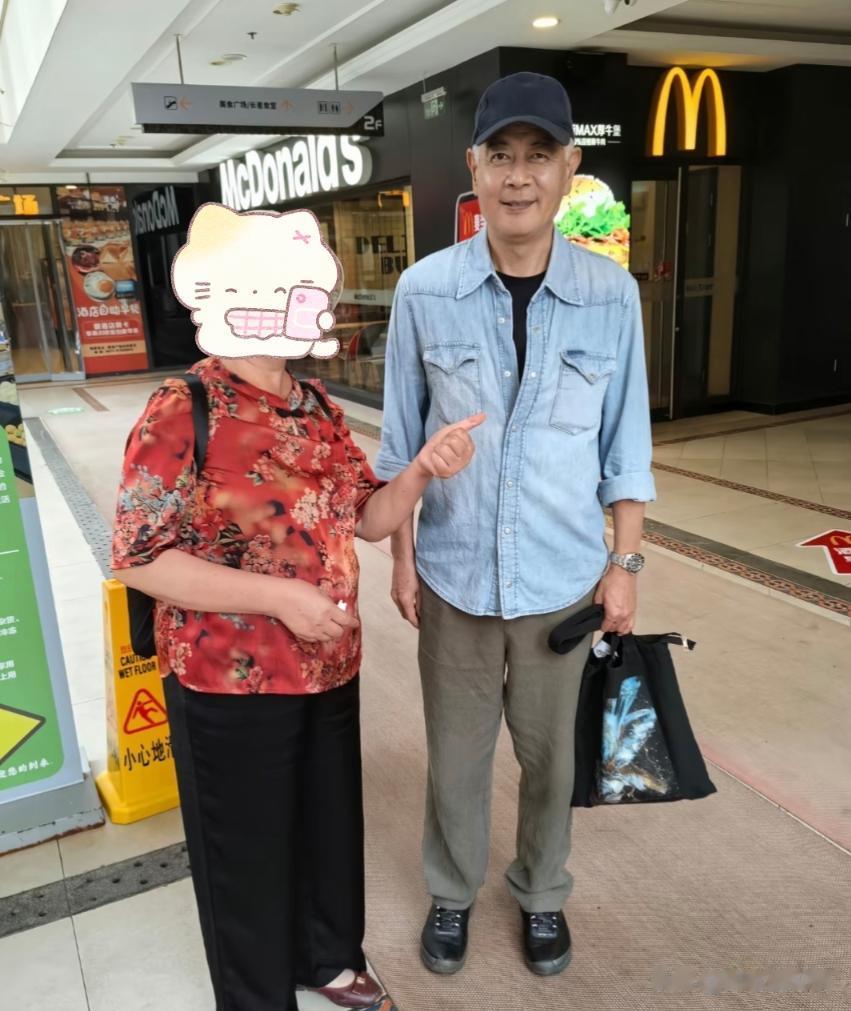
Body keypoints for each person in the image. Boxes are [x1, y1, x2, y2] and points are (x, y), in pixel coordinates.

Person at [111, 205, 483, 1011]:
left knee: (326, 824)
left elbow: (367, 518)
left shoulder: (315, 405)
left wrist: (421, 470)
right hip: (227, 678)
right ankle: (255, 994)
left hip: (328, 663)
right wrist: (280, 597)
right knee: (243, 844)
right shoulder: (185, 407)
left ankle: (328, 956)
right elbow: (140, 556)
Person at [375, 72, 656, 977]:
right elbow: (398, 446)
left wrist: (624, 566)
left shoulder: (610, 295)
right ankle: (451, 890)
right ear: (474, 166)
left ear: (568, 169)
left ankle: (541, 892)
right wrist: (402, 561)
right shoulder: (424, 290)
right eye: (501, 154)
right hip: (453, 573)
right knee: (455, 758)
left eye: (539, 156)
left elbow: (626, 446)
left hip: (562, 580)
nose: (518, 175)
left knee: (551, 758)